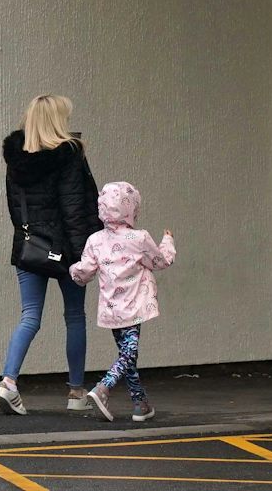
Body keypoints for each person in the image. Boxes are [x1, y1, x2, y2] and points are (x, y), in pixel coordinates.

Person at [0, 95, 99, 416]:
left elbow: (15, 208)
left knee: (29, 316)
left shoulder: (16, 159)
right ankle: (76, 392)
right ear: (56, 121)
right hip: (66, 250)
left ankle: (8, 383)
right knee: (75, 317)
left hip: (30, 248)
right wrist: (85, 254)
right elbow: (74, 208)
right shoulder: (69, 155)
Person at [69, 180, 176, 423]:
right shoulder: (139, 238)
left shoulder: (94, 240)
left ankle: (140, 404)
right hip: (134, 306)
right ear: (131, 209)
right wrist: (168, 241)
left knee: (127, 354)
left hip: (111, 309)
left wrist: (71, 269)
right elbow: (160, 262)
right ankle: (103, 388)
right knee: (129, 353)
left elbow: (84, 272)